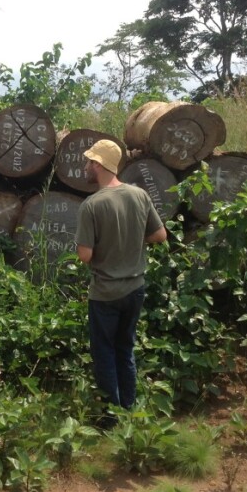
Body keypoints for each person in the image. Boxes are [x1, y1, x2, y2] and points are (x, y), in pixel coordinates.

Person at [74, 140, 167, 425]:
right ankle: (129, 406)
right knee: (125, 349)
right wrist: (130, 242)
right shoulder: (139, 195)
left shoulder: (91, 205)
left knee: (104, 353)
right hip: (135, 289)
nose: (86, 166)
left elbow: (85, 256)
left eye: (90, 162)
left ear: (99, 165)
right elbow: (160, 235)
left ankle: (110, 418)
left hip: (105, 294)